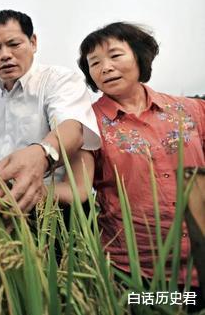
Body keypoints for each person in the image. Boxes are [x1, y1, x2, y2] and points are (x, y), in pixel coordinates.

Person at [77, 22, 204, 301]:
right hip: (137, 272)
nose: (105, 67)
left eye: (115, 55)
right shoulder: (88, 123)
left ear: (139, 56)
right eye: (94, 63)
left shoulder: (192, 109)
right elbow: (78, 187)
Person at [0, 10, 100, 212]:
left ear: (33, 42)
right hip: (3, 209)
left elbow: (72, 127)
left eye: (14, 44)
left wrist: (42, 153)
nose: (5, 55)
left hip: (56, 210)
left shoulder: (59, 80)